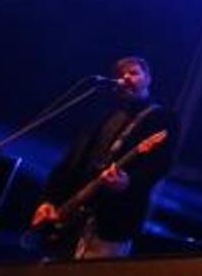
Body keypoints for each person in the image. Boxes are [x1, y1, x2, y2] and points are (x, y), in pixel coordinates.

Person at [30, 56, 174, 259]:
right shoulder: (103, 114)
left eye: (133, 73)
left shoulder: (161, 118)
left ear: (148, 78)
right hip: (70, 216)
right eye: (121, 74)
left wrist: (128, 182)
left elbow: (160, 166)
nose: (126, 77)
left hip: (111, 222)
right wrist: (48, 199)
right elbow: (70, 162)